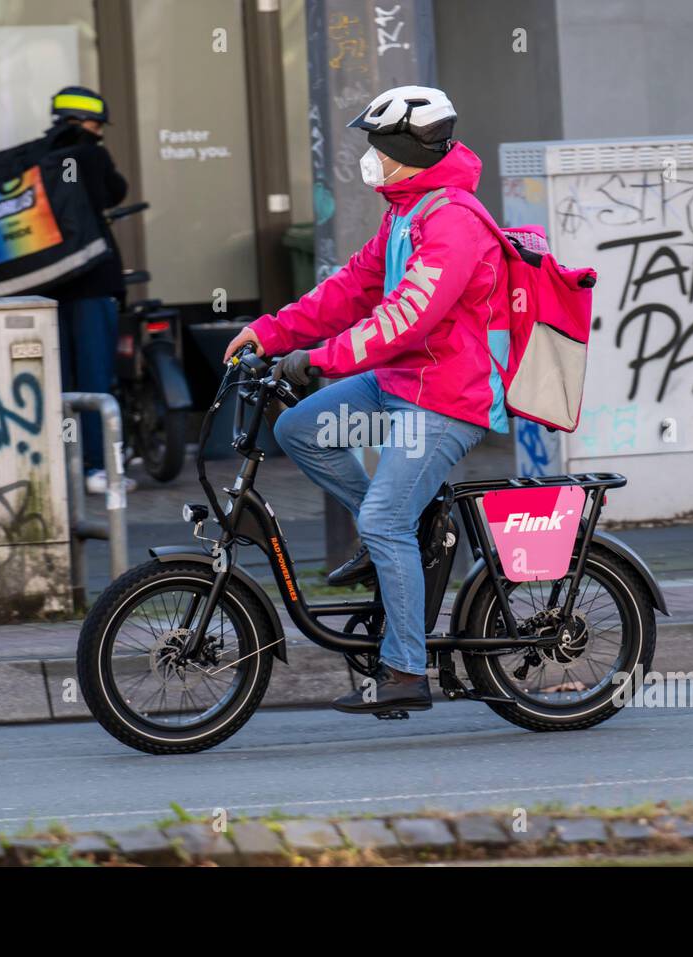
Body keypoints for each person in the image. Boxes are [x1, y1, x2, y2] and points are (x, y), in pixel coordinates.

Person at [222, 86, 510, 715]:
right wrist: (271, 332)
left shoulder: (453, 221)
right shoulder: (406, 212)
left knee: (383, 519)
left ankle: (406, 669)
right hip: (400, 384)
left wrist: (317, 359)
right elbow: (351, 289)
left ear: (408, 150)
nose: (370, 158)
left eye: (379, 147)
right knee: (301, 428)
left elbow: (407, 315)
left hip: (445, 401)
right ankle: (394, 532)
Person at [45, 86, 135, 496]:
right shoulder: (91, 156)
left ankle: (63, 465)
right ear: (84, 122)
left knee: (61, 379)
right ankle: (98, 468)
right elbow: (114, 192)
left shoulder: (36, 157)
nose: (100, 131)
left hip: (47, 284)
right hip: (91, 280)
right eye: (97, 123)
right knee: (97, 377)